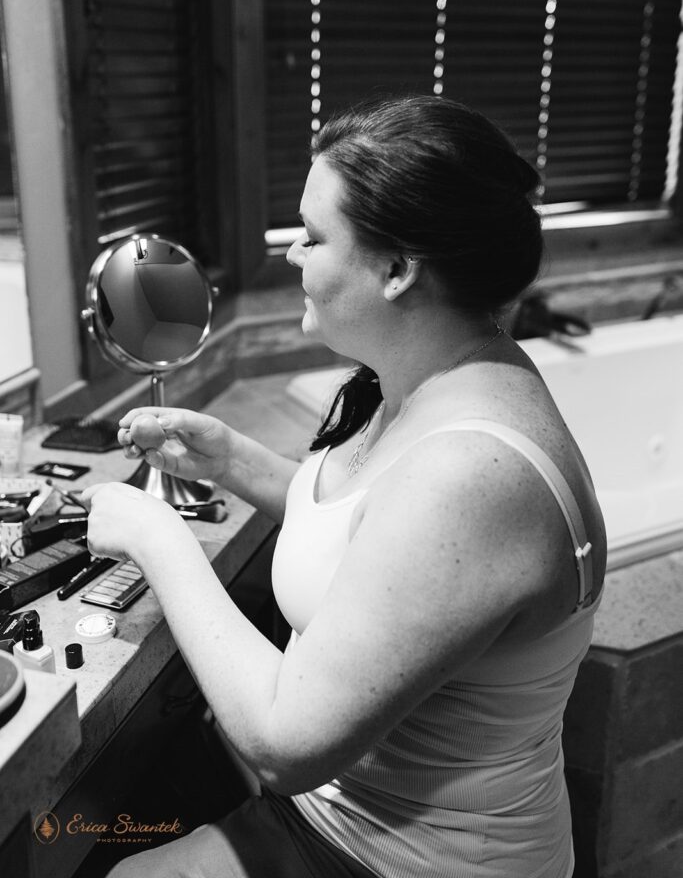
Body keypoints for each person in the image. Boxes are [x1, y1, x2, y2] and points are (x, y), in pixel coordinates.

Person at [86, 95, 606, 878]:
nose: (294, 255)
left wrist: (155, 538)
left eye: (313, 236)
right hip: (347, 816)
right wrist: (233, 461)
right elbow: (383, 547)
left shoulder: (470, 477)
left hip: (407, 861)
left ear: (396, 270)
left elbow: (283, 745)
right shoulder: (442, 379)